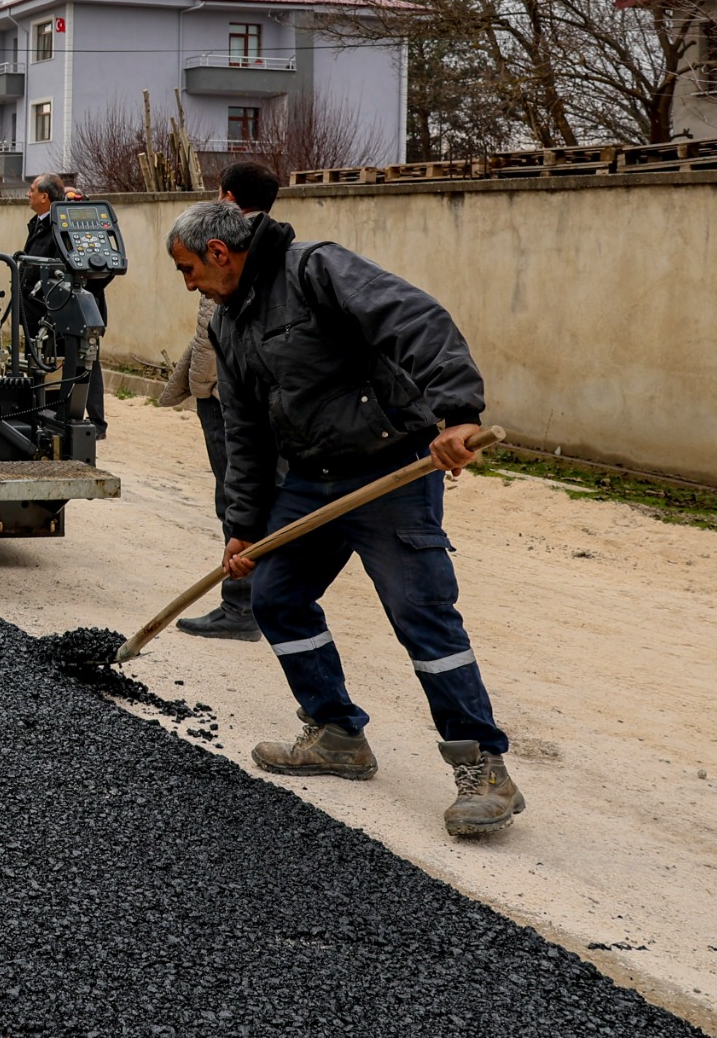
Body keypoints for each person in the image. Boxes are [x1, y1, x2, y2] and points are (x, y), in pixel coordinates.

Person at [167, 197, 522, 839]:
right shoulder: (229, 323)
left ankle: (483, 767)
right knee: (275, 597)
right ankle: (335, 733)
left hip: (390, 469)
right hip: (310, 480)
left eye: (188, 268)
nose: (190, 282)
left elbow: (413, 319)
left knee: (422, 614)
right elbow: (245, 432)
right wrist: (243, 526)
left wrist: (458, 412)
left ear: (219, 253)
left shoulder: (318, 270)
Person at [162, 160, 281, 640]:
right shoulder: (267, 251)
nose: (191, 280)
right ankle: (258, 604)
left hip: (230, 397)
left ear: (228, 199)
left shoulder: (227, 255)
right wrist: (181, 380)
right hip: (227, 389)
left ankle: (242, 609)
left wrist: (201, 383)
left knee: (239, 497)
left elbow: (219, 334)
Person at [20, 172, 110, 435]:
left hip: (66, 309)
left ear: (44, 196)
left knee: (83, 360)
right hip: (38, 309)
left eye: (32, 189)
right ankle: (46, 413)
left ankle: (91, 422)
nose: (28, 194)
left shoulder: (65, 226)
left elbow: (95, 271)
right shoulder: (39, 223)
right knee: (45, 361)